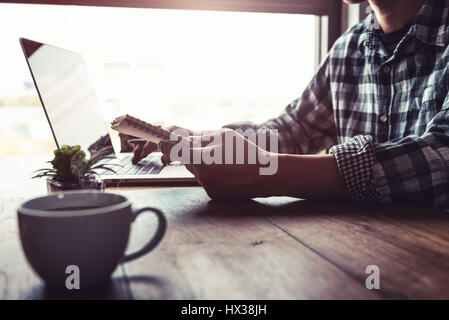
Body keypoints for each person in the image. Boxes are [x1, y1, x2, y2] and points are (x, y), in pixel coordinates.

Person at [132, 0, 449, 207]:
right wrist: (201, 140)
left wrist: (268, 174)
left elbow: (442, 154)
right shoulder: (349, 48)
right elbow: (294, 129)